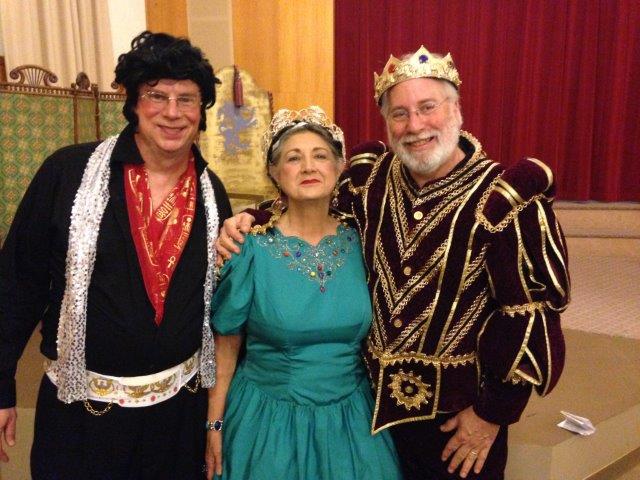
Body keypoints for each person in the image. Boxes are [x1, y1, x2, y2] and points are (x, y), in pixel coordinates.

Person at [217, 45, 570, 479]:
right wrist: (249, 220)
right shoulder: (369, 181)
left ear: (456, 109)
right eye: (400, 114)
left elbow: (529, 315)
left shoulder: (502, 200)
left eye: (427, 107)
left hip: (457, 422)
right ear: (386, 122)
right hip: (368, 413)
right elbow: (308, 204)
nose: (415, 126)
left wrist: (492, 414)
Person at [0, 31, 232, 479]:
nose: (172, 112)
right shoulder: (68, 172)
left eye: (186, 99)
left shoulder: (211, 192)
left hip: (177, 421)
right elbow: (16, 284)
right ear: (133, 103)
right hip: (83, 420)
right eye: (157, 96)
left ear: (201, 110)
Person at [204, 106, 401, 480]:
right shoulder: (249, 248)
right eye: (294, 158)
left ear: (340, 167)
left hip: (353, 425)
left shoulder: (363, 240)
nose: (308, 167)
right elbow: (226, 346)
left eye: (320, 156)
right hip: (269, 425)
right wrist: (214, 424)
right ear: (275, 173)